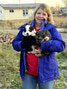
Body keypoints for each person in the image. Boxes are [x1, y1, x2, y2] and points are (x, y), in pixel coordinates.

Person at [12, 3, 65, 89]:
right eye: (38, 13)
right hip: (28, 71)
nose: (40, 16)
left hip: (46, 72)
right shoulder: (26, 27)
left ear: (48, 16)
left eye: (44, 14)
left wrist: (43, 43)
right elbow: (14, 44)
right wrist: (22, 44)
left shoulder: (51, 29)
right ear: (35, 14)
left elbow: (61, 45)